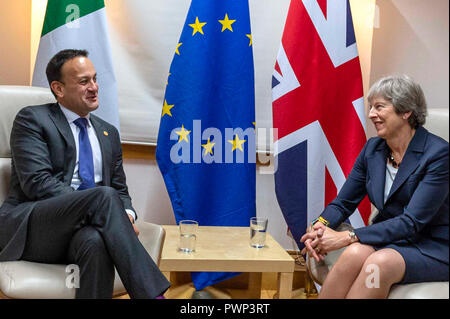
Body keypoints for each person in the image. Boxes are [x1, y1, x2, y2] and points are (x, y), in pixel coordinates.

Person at [0, 49, 170, 299]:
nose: (94, 87)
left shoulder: (108, 133)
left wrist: (127, 215)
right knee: (102, 198)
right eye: (83, 82)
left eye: (94, 79)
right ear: (58, 88)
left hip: (82, 233)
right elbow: (37, 183)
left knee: (94, 241)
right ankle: (153, 296)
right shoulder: (32, 119)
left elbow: (120, 191)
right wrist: (95, 209)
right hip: (35, 229)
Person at [300, 75, 449, 298]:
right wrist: (319, 228)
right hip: (393, 239)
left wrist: (346, 237)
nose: (371, 114)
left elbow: (411, 222)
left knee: (378, 263)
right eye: (371, 107)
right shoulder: (373, 149)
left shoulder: (438, 155)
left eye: (379, 107)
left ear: (406, 111)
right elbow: (343, 203)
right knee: (353, 254)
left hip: (432, 245)